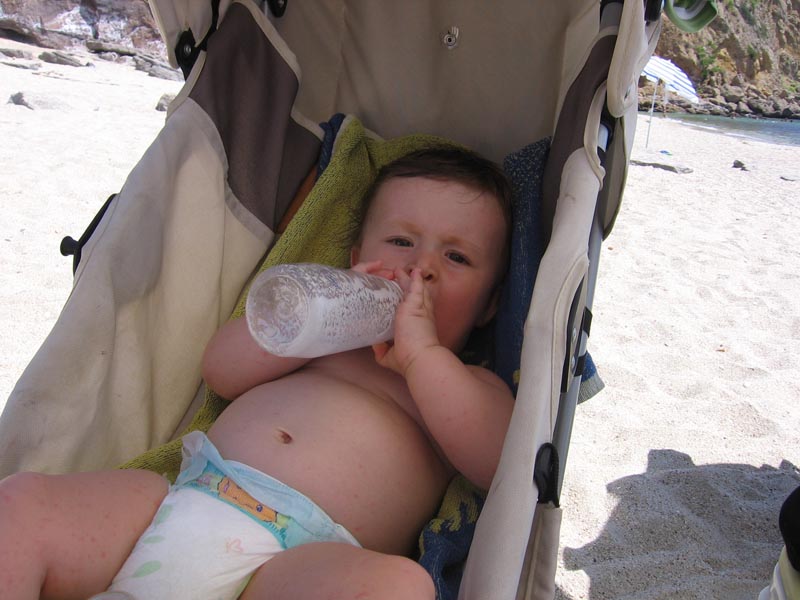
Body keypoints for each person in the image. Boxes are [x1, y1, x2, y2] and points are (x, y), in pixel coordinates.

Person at [0, 147, 515, 600]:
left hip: (300, 564)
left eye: (456, 256)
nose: (421, 268)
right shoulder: (322, 341)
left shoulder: (471, 386)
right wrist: (310, 315)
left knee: (402, 586)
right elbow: (221, 370)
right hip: (182, 502)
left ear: (489, 304)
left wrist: (423, 355)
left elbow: (497, 462)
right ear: (356, 260)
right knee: (21, 504)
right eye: (401, 241)